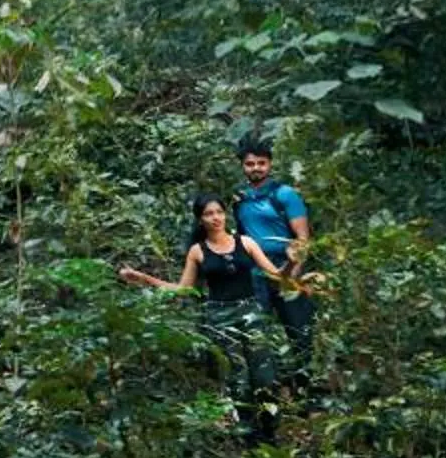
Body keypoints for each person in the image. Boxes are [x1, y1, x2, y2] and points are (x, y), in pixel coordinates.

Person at [115, 193, 294, 440]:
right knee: (238, 381)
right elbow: (183, 289)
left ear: (225, 214)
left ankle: (271, 432)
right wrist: (143, 279)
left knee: (265, 376)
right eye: (208, 214)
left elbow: (277, 276)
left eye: (219, 212)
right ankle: (251, 439)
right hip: (220, 317)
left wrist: (292, 262)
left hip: (251, 313)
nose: (215, 218)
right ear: (200, 219)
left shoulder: (246, 242)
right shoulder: (197, 251)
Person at [233, 132, 317, 376]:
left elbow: (302, 238)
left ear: (269, 164)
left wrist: (293, 276)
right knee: (257, 334)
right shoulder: (240, 198)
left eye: (261, 163)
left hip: (287, 268)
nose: (256, 168)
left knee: (299, 332)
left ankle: (308, 393)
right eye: (250, 164)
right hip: (255, 273)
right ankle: (269, 390)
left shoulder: (285, 195)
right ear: (243, 166)